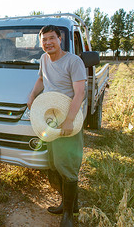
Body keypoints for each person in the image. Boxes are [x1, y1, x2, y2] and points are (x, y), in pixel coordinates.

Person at [27, 25, 87, 227]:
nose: (48, 43)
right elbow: (41, 79)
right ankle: (69, 204)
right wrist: (32, 94)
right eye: (44, 40)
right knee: (53, 165)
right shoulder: (44, 59)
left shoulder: (73, 61)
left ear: (60, 39)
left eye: (52, 38)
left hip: (68, 117)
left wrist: (69, 120)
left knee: (67, 167)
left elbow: (80, 93)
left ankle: (68, 215)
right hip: (50, 118)